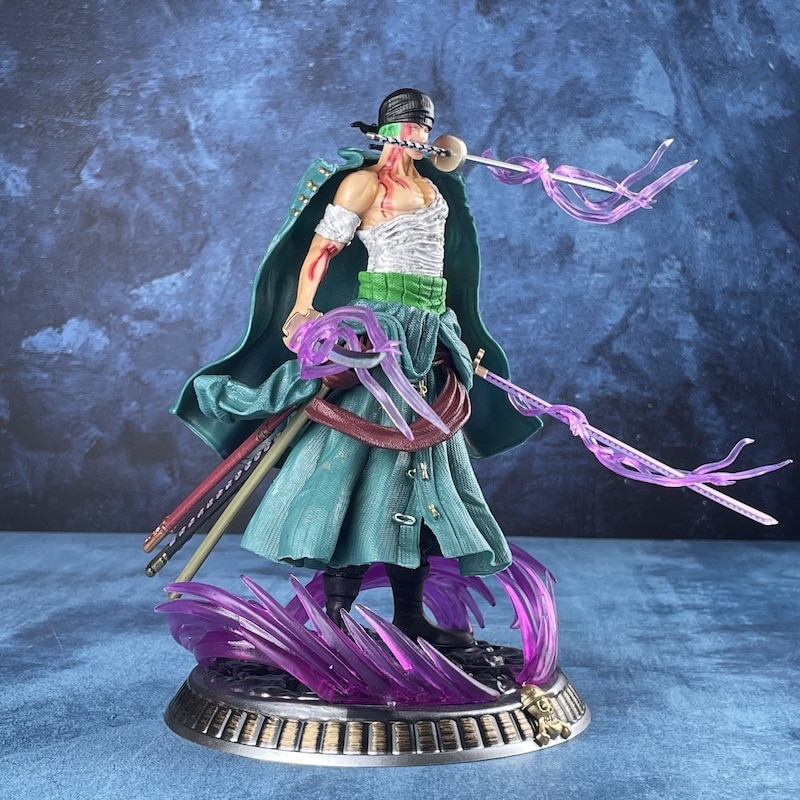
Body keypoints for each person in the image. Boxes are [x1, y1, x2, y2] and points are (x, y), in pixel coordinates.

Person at [172, 89, 541, 647]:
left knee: (422, 482)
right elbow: (319, 252)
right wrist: (301, 309)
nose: (421, 135)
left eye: (426, 127)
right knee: (351, 477)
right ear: (388, 130)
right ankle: (337, 620)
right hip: (379, 336)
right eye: (412, 126)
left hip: (430, 334)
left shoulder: (432, 186)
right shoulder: (362, 185)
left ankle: (409, 617)